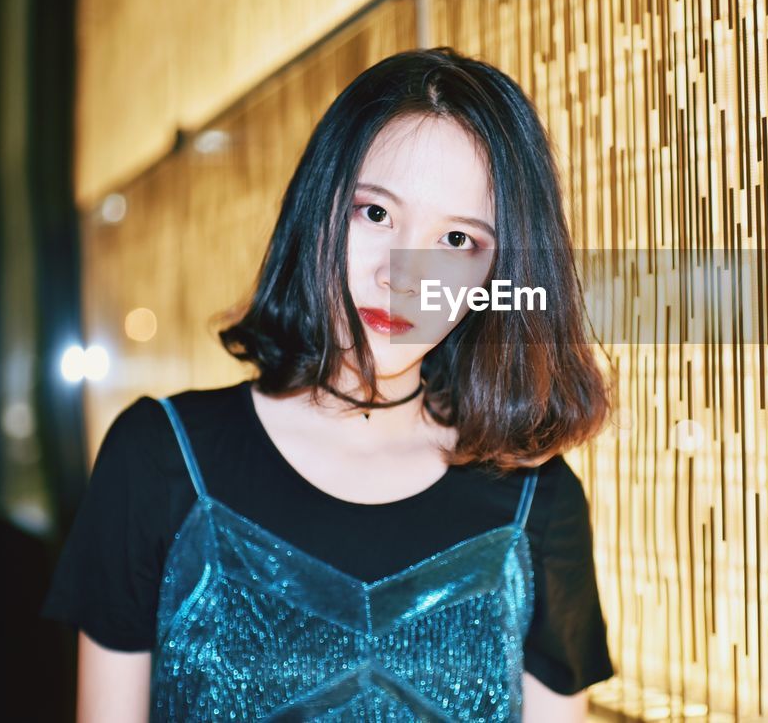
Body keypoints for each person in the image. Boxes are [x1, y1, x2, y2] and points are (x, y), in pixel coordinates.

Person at [41, 47, 617, 722]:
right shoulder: (160, 460)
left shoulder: (536, 499)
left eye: (458, 240)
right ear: (321, 208)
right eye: (375, 215)